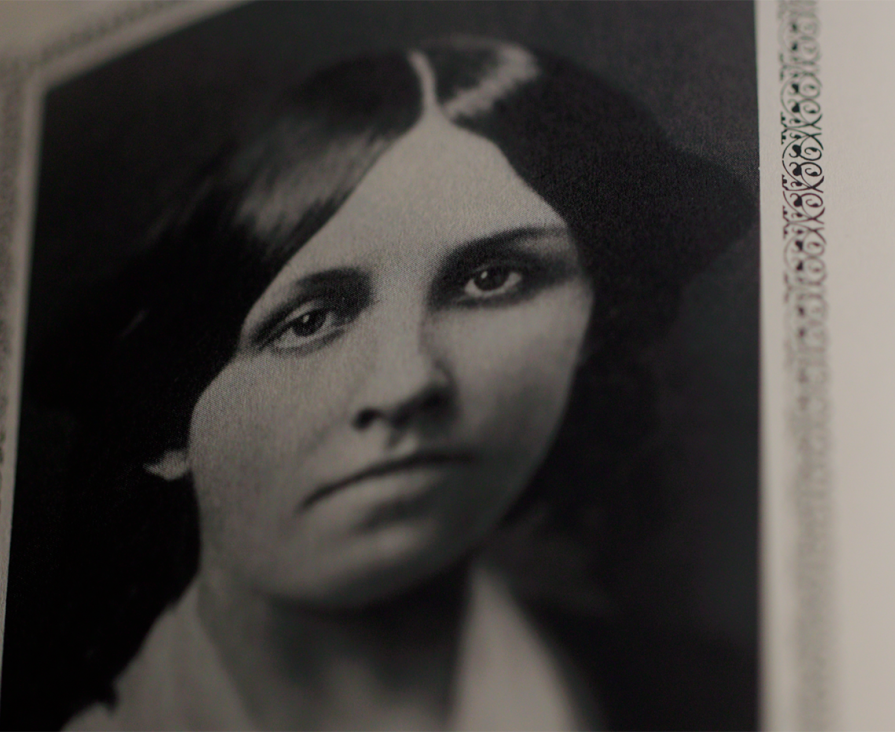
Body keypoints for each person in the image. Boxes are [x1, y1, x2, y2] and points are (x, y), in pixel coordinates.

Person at [37, 36, 749, 730]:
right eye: (310, 321)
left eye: (491, 280)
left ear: (597, 320)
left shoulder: (709, 702)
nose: (406, 381)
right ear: (165, 419)